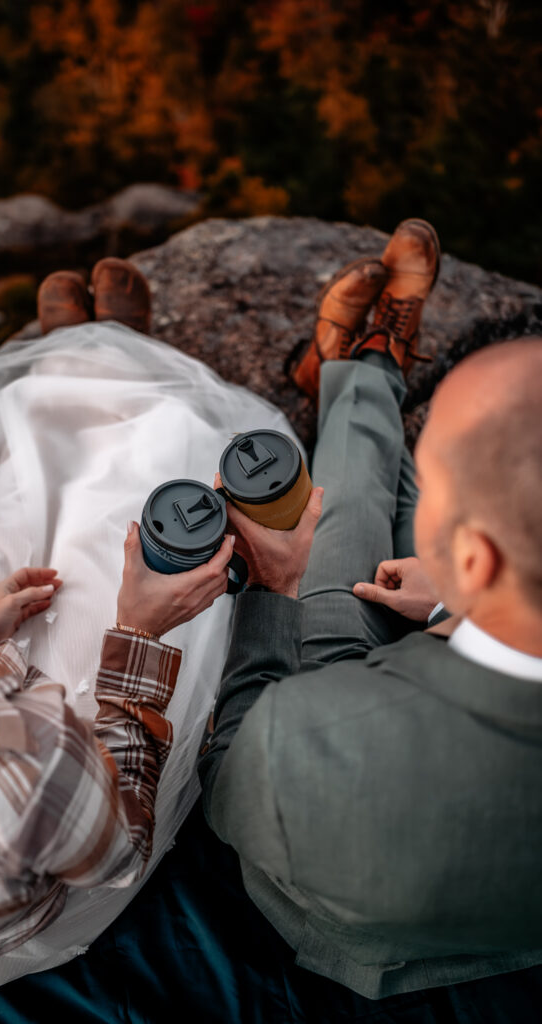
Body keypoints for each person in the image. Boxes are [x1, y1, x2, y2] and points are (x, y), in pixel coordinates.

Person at [0, 257, 307, 988]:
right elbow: (118, 847)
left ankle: (78, 379)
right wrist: (139, 638)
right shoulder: (18, 764)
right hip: (47, 878)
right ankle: (104, 378)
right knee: (140, 504)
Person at [199, 218, 542, 1000]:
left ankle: (364, 370)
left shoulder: (309, 738)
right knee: (472, 495)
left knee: (344, 520)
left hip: (341, 910)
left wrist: (269, 589)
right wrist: (453, 608)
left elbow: (229, 778)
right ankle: (359, 375)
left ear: (476, 564)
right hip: (511, 940)